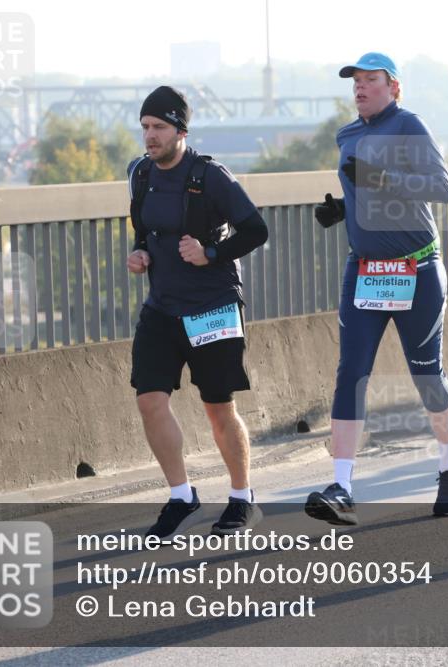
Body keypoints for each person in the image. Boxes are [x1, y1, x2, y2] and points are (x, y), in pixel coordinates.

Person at [305, 52, 448, 526]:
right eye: (355, 81)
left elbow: (442, 188)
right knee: (351, 371)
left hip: (415, 269)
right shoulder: (348, 134)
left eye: (370, 80)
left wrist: (379, 179)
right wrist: (344, 210)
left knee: (426, 374)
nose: (360, 88)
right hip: (366, 269)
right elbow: (361, 189)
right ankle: (342, 484)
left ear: (393, 87)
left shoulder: (409, 127)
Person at [126, 86, 269, 536]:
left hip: (212, 307)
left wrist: (210, 251)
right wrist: (139, 253)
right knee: (150, 400)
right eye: (146, 127)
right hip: (162, 308)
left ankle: (243, 498)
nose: (150, 136)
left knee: (217, 408)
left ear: (181, 131)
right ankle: (181, 495)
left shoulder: (211, 177)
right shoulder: (140, 174)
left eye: (159, 128)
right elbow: (143, 227)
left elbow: (255, 230)